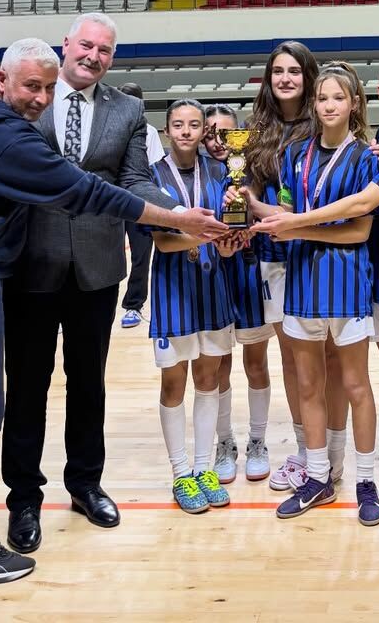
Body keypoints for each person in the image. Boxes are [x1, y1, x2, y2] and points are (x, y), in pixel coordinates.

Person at [0, 38, 227, 586]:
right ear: (2, 80)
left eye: (47, 88)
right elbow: (83, 189)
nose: (42, 97)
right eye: (32, 85)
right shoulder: (6, 135)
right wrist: (179, 221)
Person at [253, 57, 379, 523]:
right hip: (368, 279)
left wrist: (294, 226)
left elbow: (361, 213)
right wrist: (246, 205)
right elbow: (283, 205)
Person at [246, 63, 379, 525]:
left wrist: (299, 227)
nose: (328, 106)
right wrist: (248, 214)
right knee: (307, 384)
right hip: (301, 284)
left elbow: (360, 231)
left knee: (355, 385)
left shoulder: (367, 157)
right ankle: (319, 475)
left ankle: (365, 480)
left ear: (354, 104)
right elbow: (284, 218)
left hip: (347, 285)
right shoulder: (294, 156)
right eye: (322, 98)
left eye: (337, 98)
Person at [240, 42, 350, 490]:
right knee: (293, 357)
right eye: (277, 71)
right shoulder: (254, 128)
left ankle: (334, 451)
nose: (285, 78)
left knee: (330, 356)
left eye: (294, 71)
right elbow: (241, 179)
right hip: (273, 255)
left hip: (317, 250)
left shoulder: (323, 121)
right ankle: (308, 451)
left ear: (309, 76)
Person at [148, 99, 238, 514]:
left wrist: (234, 241)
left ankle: (204, 467)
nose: (186, 131)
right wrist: (208, 237)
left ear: (205, 131)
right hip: (172, 289)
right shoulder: (152, 178)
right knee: (174, 383)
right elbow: (164, 241)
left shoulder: (222, 172)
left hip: (212, 283)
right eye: (178, 124)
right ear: (167, 130)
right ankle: (180, 471)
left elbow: (231, 230)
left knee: (209, 378)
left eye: (194, 124)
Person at [204, 103, 274, 485]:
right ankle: (225, 442)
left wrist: (249, 229)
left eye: (227, 134)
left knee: (256, 362)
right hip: (209, 272)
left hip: (248, 269)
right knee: (218, 366)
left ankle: (258, 442)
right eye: (210, 133)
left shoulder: (253, 172)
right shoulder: (195, 172)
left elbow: (271, 213)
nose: (218, 141)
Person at [117, 81, 165, 328]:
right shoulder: (109, 128)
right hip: (111, 203)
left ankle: (133, 305)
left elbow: (154, 168)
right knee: (103, 256)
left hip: (138, 203)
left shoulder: (149, 131)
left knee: (140, 256)